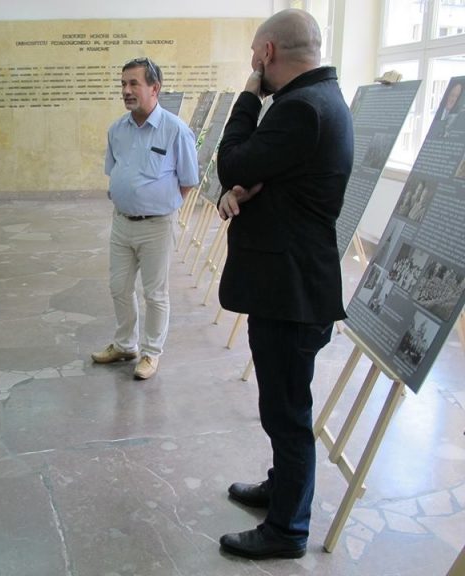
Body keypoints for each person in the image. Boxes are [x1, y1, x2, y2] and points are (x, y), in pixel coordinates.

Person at [215, 9, 354, 559]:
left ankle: (288, 529)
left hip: (292, 291)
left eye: (255, 56)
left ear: (268, 52)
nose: (253, 64)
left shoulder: (299, 108)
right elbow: (261, 179)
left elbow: (233, 162)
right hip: (289, 284)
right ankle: (282, 488)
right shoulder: (317, 101)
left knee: (288, 412)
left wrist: (248, 98)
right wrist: (241, 190)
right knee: (281, 405)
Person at [91, 58, 199, 380]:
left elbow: (188, 181)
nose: (126, 90)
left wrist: (162, 207)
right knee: (119, 288)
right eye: (123, 84)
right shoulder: (117, 130)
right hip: (122, 223)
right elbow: (114, 172)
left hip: (157, 227)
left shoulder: (175, 130)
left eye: (134, 83)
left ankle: (151, 353)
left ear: (155, 88)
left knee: (155, 294)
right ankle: (126, 345)